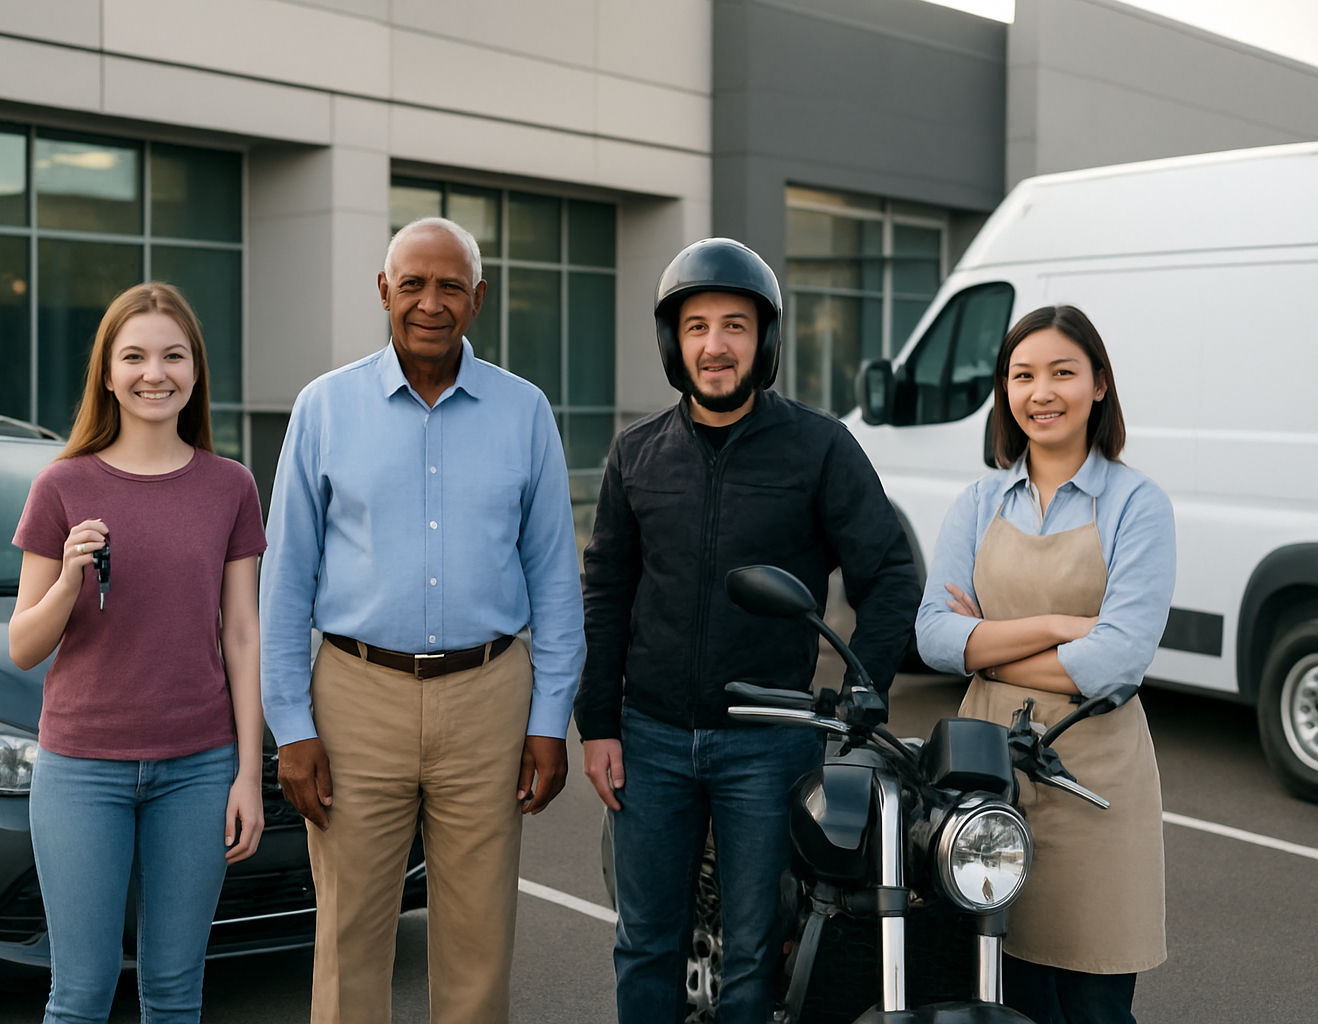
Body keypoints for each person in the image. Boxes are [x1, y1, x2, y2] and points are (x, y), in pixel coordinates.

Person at [575, 237, 920, 1023]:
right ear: (674, 342)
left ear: (762, 340)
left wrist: (860, 689)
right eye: (697, 327)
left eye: (734, 325)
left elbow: (890, 575)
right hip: (651, 737)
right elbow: (606, 592)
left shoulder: (821, 447)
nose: (715, 345)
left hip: (767, 743)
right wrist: (598, 723)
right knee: (645, 941)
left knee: (756, 948)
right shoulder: (635, 454)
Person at [260, 217, 585, 1024]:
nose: (430, 303)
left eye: (449, 286)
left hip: (489, 700)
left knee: (479, 941)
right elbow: (285, 579)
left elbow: (555, 579)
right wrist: (290, 727)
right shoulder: (324, 408)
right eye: (413, 284)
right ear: (383, 292)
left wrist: (550, 722)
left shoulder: (524, 411)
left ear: (479, 298)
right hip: (354, 698)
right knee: (349, 936)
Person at [9, 282, 267, 1024]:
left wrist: (249, 774)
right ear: (108, 373)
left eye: (172, 356)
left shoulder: (230, 486)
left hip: (198, 769)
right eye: (135, 356)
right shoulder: (62, 485)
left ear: (195, 370)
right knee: (82, 995)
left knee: (176, 996)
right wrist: (67, 578)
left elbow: (242, 634)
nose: (155, 373)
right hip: (82, 768)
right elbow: (24, 644)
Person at [916, 305, 1174, 1024]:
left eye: (1063, 372)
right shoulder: (977, 501)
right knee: (1004, 993)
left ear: (1099, 385)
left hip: (1098, 780)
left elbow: (1118, 661)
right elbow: (934, 638)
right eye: (1023, 375)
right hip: (984, 774)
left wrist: (990, 650)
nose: (1043, 392)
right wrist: (1062, 628)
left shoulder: (1137, 505)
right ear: (1005, 392)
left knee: (1095, 1005)